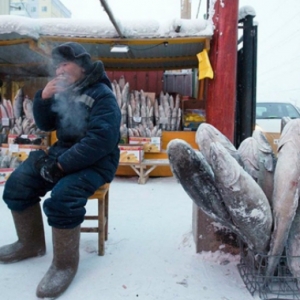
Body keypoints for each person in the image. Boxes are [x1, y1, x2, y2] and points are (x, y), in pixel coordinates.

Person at [0, 42, 121, 298]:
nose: (59, 69)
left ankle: (64, 265)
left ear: (82, 66)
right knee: (18, 184)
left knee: (63, 198)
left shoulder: (102, 95)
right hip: (63, 152)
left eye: (65, 63)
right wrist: (43, 99)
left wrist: (61, 165)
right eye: (57, 65)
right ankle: (30, 244)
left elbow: (101, 140)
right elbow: (46, 126)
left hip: (97, 160)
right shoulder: (64, 91)